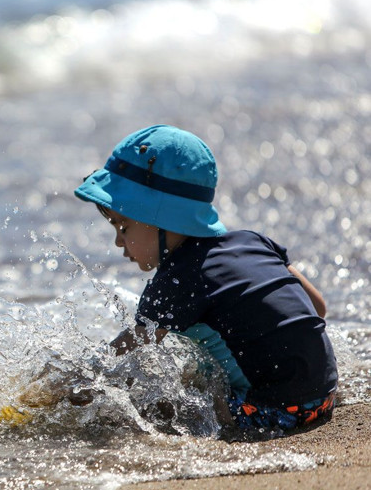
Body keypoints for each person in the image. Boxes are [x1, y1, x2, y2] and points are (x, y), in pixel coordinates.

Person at [74, 124, 338, 431]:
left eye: (123, 226)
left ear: (159, 218)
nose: (118, 242)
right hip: (326, 397)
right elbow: (318, 307)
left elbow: (123, 354)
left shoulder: (177, 279)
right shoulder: (251, 240)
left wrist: (75, 383)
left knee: (157, 413)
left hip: (272, 412)